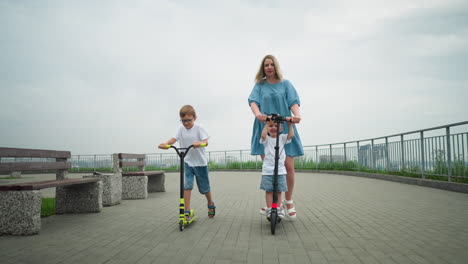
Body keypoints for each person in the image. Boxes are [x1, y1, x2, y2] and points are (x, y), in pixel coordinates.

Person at [248, 54, 304, 220]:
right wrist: (258, 114)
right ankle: (272, 203)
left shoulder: (285, 84)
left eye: (272, 64)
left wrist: (297, 115)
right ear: (263, 68)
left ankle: (288, 201)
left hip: (284, 125)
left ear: (276, 66)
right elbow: (253, 102)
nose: (269, 67)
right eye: (266, 65)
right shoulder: (259, 85)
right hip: (265, 126)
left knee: (288, 166)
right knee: (270, 166)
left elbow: (293, 101)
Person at [158, 105, 215, 220]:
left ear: (195, 118)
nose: (186, 123)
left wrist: (200, 143)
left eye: (189, 120)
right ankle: (187, 211)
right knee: (187, 185)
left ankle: (210, 203)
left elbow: (206, 141)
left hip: (200, 163)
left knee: (204, 188)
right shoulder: (180, 129)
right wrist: (166, 144)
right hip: (188, 162)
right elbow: (173, 139)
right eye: (183, 121)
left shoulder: (199, 127)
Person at [259, 120, 294, 220]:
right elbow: (263, 135)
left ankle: (278, 208)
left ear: (281, 129)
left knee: (279, 191)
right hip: (268, 170)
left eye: (276, 126)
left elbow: (291, 135)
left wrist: (290, 125)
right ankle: (270, 209)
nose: (273, 127)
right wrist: (266, 124)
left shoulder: (282, 138)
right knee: (269, 190)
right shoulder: (266, 139)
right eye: (271, 126)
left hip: (280, 170)